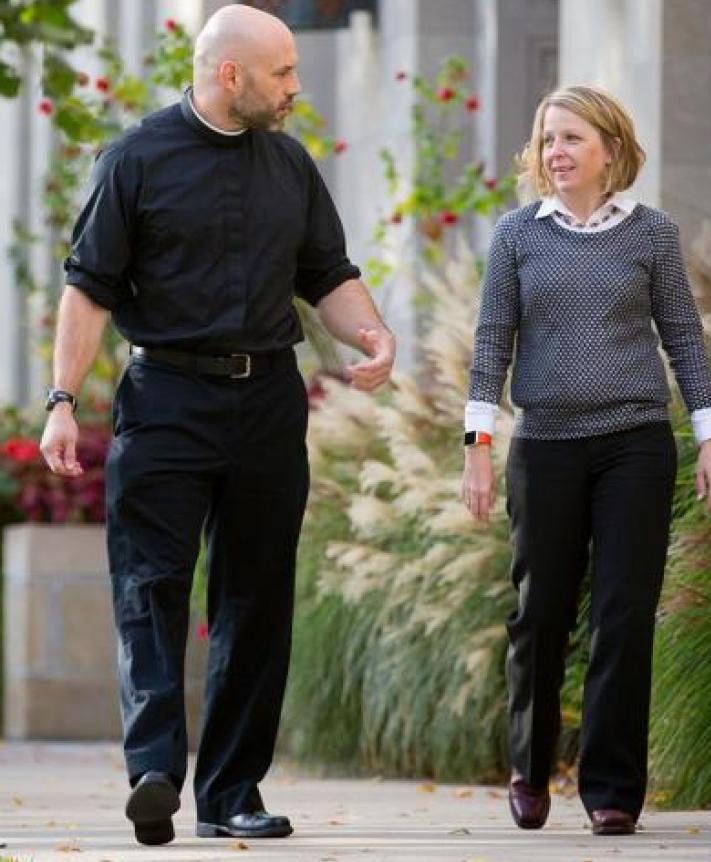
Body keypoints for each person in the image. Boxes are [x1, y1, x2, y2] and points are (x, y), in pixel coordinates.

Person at [39, 5, 395, 846]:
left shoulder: (290, 164)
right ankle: (156, 769)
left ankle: (232, 791)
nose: (296, 90)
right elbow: (88, 286)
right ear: (228, 74)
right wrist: (61, 401)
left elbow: (327, 273)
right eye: (282, 74)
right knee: (151, 584)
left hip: (268, 400)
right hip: (165, 398)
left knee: (257, 598)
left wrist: (371, 332)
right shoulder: (135, 159)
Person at [462, 85, 711, 836]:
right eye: (549, 139)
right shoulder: (517, 235)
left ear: (610, 149)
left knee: (621, 616)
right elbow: (491, 348)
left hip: (635, 446)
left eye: (573, 138)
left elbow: (683, 339)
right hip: (544, 445)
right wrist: (477, 449)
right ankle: (529, 762)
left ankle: (612, 789)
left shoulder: (652, 235)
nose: (557, 152)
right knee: (541, 613)